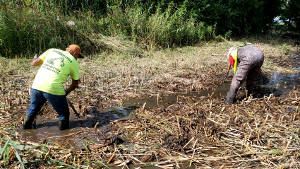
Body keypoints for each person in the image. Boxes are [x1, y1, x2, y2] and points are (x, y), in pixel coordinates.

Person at [23, 44, 83, 130]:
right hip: (53, 89)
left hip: (36, 86)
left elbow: (34, 63)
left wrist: (35, 58)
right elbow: (75, 84)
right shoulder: (74, 62)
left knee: (33, 108)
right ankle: (64, 136)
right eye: (78, 56)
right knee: (63, 113)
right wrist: (66, 92)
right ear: (74, 54)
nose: (77, 58)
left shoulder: (51, 51)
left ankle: (25, 129)